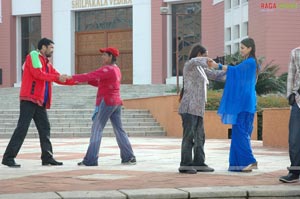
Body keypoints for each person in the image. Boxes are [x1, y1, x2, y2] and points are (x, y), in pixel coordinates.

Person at [2, 38, 73, 168]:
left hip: (40, 101)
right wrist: (57, 77)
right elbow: (38, 74)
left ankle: (47, 157)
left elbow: (57, 77)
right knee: (22, 128)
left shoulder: (47, 63)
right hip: (29, 99)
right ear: (43, 47)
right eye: (51, 48)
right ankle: (8, 157)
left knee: (45, 128)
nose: (52, 51)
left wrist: (76, 80)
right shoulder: (34, 56)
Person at [69, 47, 136, 166]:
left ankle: (91, 159)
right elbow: (100, 82)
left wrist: (72, 78)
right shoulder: (116, 69)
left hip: (106, 102)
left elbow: (92, 75)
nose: (102, 57)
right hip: (116, 102)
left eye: (105, 55)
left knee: (97, 129)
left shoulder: (107, 69)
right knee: (119, 130)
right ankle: (129, 157)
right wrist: (86, 80)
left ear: (111, 57)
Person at [178, 43, 226, 174]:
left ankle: (199, 162)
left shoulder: (201, 70)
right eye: (205, 55)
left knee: (200, 136)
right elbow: (199, 61)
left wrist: (231, 71)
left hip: (198, 109)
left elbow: (216, 75)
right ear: (199, 55)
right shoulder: (190, 65)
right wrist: (213, 62)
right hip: (188, 107)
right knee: (189, 136)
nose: (207, 57)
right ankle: (185, 164)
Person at [217, 38, 259, 172]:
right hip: (246, 101)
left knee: (240, 131)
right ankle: (240, 164)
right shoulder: (249, 63)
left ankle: (250, 160)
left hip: (244, 102)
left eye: (242, 48)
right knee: (239, 131)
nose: (240, 50)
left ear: (250, 48)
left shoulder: (250, 63)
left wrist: (217, 66)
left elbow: (234, 71)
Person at [279, 46, 300, 183]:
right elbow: (291, 74)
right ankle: (294, 171)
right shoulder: (296, 52)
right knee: (294, 139)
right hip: (298, 101)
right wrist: (290, 95)